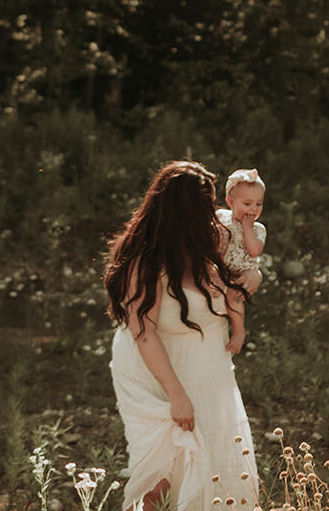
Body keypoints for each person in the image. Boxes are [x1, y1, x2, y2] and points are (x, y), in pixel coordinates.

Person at [105, 161, 259, 511]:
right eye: (204, 206)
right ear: (183, 212)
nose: (213, 213)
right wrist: (177, 395)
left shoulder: (208, 236)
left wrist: (254, 278)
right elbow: (143, 332)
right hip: (156, 368)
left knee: (218, 460)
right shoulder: (145, 258)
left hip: (209, 368)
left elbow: (243, 265)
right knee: (166, 468)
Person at [216, 169, 266, 354]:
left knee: (234, 298)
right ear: (230, 202)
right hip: (221, 268)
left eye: (258, 204)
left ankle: (238, 331)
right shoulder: (222, 217)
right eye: (247, 203)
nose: (253, 209)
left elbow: (254, 251)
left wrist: (247, 229)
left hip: (242, 274)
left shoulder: (258, 229)